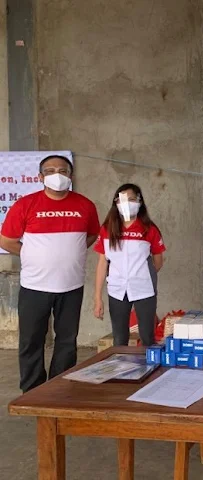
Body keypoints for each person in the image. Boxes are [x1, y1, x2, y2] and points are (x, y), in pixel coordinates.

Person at [0, 154, 100, 392]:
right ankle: (32, 392)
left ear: (71, 175)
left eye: (63, 171)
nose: (57, 175)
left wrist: (69, 252)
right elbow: (6, 241)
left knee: (67, 341)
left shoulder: (85, 205)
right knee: (31, 341)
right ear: (40, 177)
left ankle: (59, 390)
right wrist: (33, 255)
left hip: (71, 286)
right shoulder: (25, 205)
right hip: (35, 287)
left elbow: (91, 235)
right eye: (50, 171)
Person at [93, 184, 165, 346]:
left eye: (131, 199)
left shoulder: (149, 229)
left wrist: (143, 275)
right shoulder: (107, 229)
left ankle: (148, 362)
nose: (126, 203)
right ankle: (122, 362)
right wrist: (97, 297)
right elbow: (102, 263)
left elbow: (158, 260)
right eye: (122, 200)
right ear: (116, 202)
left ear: (139, 202)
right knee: (119, 338)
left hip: (144, 289)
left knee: (147, 336)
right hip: (117, 289)